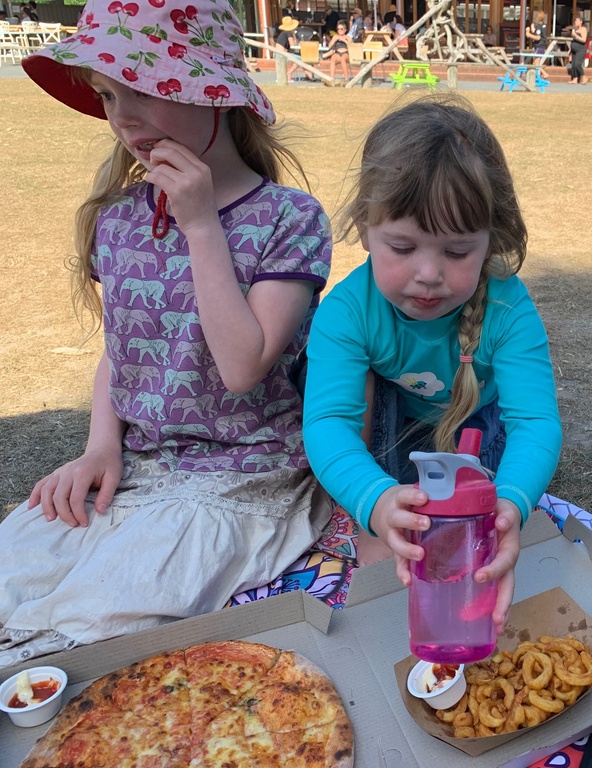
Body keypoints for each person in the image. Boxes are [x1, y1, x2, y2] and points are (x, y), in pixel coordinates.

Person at [2, 0, 334, 667]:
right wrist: (100, 447)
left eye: (144, 89)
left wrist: (201, 225)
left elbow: (243, 366)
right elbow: (122, 350)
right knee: (15, 572)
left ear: (214, 93)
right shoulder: (119, 220)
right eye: (107, 95)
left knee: (96, 622)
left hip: (246, 478)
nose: (122, 118)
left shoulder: (288, 220)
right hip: (139, 469)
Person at [303, 95, 562, 634]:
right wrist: (375, 504)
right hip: (397, 418)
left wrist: (511, 505)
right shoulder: (346, 311)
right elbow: (328, 424)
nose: (428, 274)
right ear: (364, 227)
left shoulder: (508, 308)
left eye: (457, 252)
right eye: (402, 247)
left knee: (472, 533)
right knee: (394, 520)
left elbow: (535, 423)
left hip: (479, 422)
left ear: (492, 239)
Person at [275, 15, 303, 81]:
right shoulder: (289, 33)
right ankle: (289, 73)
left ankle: (286, 75)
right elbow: (292, 45)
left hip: (279, 53)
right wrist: (294, 36)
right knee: (300, 59)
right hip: (282, 54)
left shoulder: (284, 32)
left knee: (297, 58)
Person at [567, 13, 588, 84]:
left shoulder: (583, 29)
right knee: (573, 64)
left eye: (577, 21)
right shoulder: (575, 29)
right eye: (575, 21)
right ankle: (575, 79)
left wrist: (575, 35)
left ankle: (584, 77)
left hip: (581, 49)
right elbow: (573, 40)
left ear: (581, 22)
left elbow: (584, 40)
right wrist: (570, 49)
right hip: (574, 50)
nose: (575, 22)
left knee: (577, 64)